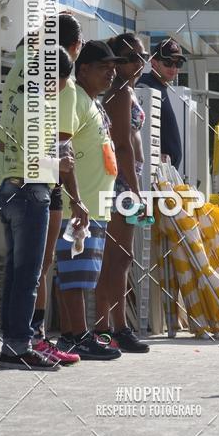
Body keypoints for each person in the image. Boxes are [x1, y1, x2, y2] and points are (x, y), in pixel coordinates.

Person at [0, 47, 76, 370]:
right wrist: (61, 163)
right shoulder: (40, 106)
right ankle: (18, 345)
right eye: (61, 81)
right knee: (29, 273)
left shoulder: (16, 99)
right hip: (31, 192)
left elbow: (4, 144)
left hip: (8, 187)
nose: (60, 88)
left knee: (16, 273)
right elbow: (35, 159)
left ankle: (12, 341)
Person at [55, 40, 127, 361]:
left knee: (82, 273)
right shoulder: (74, 95)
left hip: (96, 204)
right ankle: (78, 336)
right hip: (80, 205)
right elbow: (62, 149)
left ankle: (73, 334)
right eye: (103, 68)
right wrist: (75, 200)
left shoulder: (92, 101)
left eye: (113, 69)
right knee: (75, 273)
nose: (111, 74)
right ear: (82, 69)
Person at [31, 13, 83, 365]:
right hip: (45, 180)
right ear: (74, 47)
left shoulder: (31, 72)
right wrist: (77, 199)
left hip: (27, 177)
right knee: (40, 263)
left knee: (34, 264)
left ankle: (30, 335)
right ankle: (33, 336)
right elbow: (62, 147)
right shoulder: (63, 84)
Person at [95, 33, 150, 352]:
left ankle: (114, 326)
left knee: (120, 257)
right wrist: (137, 191)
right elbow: (123, 146)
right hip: (122, 182)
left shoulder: (124, 91)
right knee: (117, 257)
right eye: (131, 57)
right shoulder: (120, 93)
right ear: (117, 62)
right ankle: (112, 327)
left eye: (142, 57)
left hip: (127, 180)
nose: (138, 63)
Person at [138, 38, 185, 169]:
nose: (174, 68)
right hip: (152, 171)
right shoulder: (145, 87)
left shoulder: (158, 86)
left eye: (178, 64)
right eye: (168, 62)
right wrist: (155, 155)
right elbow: (138, 130)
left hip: (162, 172)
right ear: (154, 62)